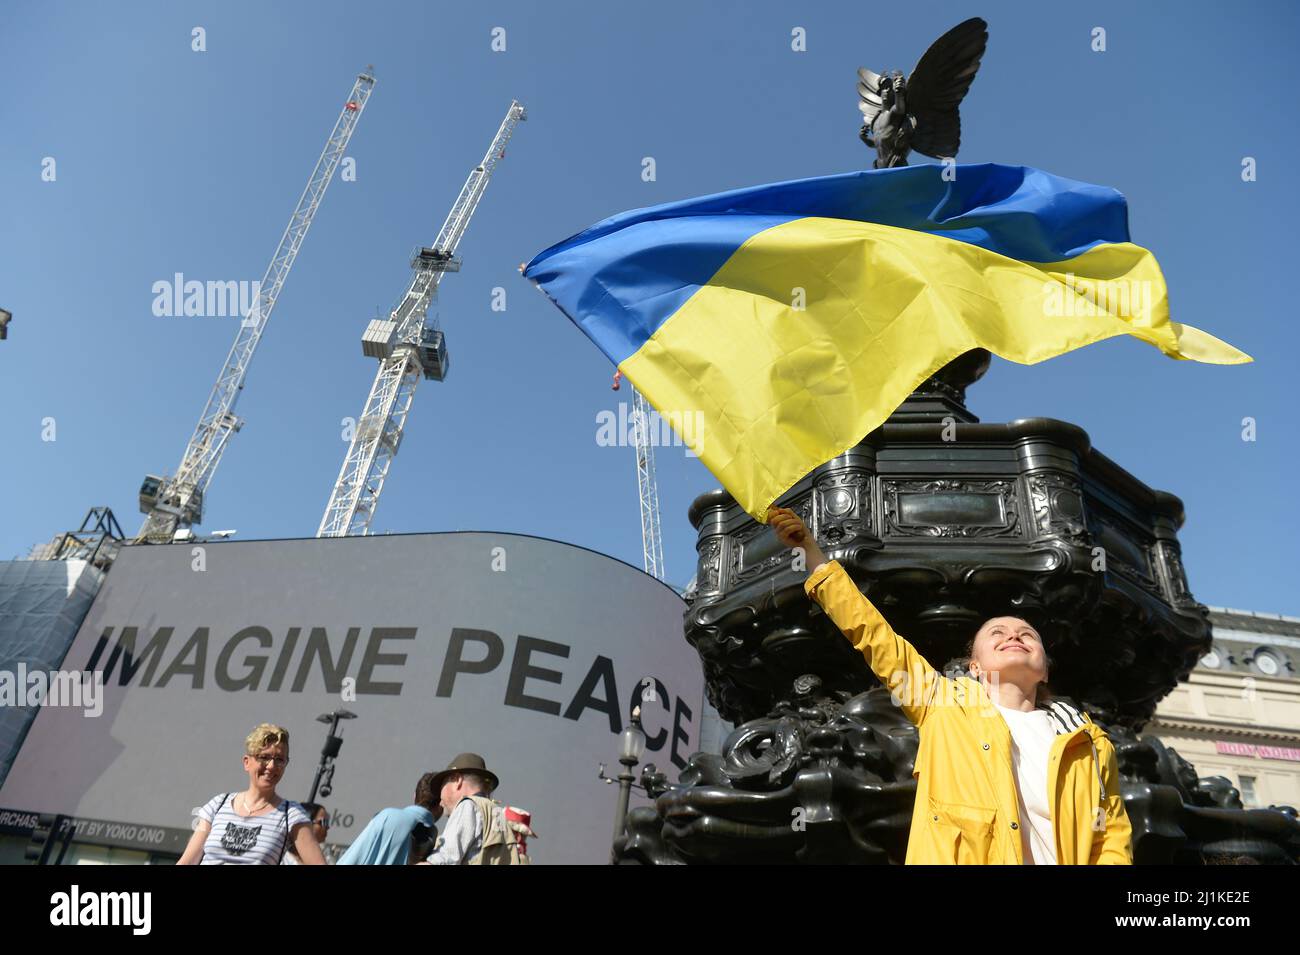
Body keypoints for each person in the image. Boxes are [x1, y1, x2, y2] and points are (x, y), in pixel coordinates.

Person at [767, 506, 1133, 865]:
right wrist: (811, 554)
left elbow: (1112, 839)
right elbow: (873, 635)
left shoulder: (1090, 743)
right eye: (997, 633)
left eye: (1027, 635)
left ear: (1045, 670)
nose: (1014, 636)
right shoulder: (939, 702)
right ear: (975, 665)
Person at [177, 723, 325, 865]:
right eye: (264, 757)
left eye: (279, 759)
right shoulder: (218, 804)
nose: (272, 766)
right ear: (247, 762)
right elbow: (188, 861)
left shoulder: (291, 814)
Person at [337, 773, 442, 865]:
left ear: (414, 795)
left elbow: (350, 860)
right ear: (440, 805)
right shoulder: (438, 841)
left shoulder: (388, 816)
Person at [418, 753, 500, 865]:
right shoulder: (496, 813)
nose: (441, 802)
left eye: (442, 787)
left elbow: (443, 859)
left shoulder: (468, 806)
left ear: (457, 780)